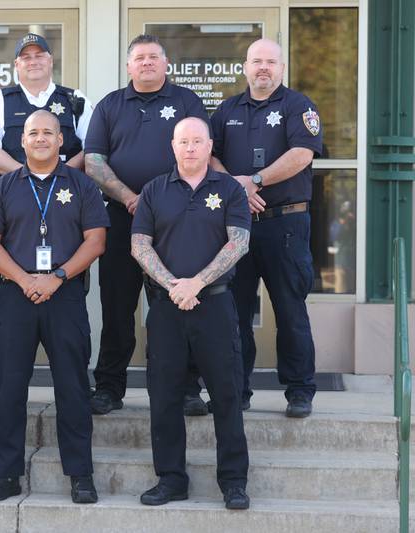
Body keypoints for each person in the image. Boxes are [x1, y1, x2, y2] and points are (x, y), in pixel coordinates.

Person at [0, 110, 108, 504]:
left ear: (61, 140)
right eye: (33, 132)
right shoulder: (4, 187)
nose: (40, 138)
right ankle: (6, 474)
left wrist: (57, 277)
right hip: (15, 294)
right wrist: (24, 279)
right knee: (10, 387)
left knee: (72, 386)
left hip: (64, 294)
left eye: (47, 132)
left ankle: (80, 474)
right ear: (21, 140)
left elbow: (96, 240)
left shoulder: (81, 185)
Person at [84, 34, 210, 416]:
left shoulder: (186, 101)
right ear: (128, 66)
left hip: (174, 220)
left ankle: (185, 388)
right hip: (122, 217)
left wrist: (155, 200)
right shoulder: (110, 106)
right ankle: (109, 387)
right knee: (117, 307)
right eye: (139, 58)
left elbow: (200, 151)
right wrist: (128, 196)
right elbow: (93, 161)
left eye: (154, 57)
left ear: (166, 64)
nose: (147, 63)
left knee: (174, 306)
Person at [0, 32, 94, 408]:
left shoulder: (75, 99)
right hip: (13, 210)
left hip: (66, 208)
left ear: (51, 61)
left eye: (41, 55)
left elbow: (92, 148)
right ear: (17, 64)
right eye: (26, 56)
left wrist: (57, 174)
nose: (34, 60)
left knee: (70, 297)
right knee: (2, 295)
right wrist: (27, 177)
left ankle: (75, 381)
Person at [131, 117, 251, 510]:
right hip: (166, 307)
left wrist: (196, 282)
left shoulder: (230, 189)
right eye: (183, 141)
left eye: (197, 141)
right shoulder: (154, 190)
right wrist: (174, 286)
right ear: (173, 145)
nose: (190, 148)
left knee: (227, 394)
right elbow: (139, 246)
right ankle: (170, 479)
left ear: (210, 145)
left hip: (214, 305)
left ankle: (233, 482)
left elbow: (239, 244)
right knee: (164, 397)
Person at [210, 38, 323, 418]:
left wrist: (253, 182)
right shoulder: (227, 110)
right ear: (244, 66)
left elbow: (301, 154)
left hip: (285, 223)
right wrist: (235, 188)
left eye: (270, 62)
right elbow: (210, 156)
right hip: (237, 227)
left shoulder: (298, 106)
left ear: (281, 68)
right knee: (233, 313)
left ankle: (299, 391)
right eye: (256, 61)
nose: (263, 68)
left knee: (290, 310)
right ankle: (236, 392)